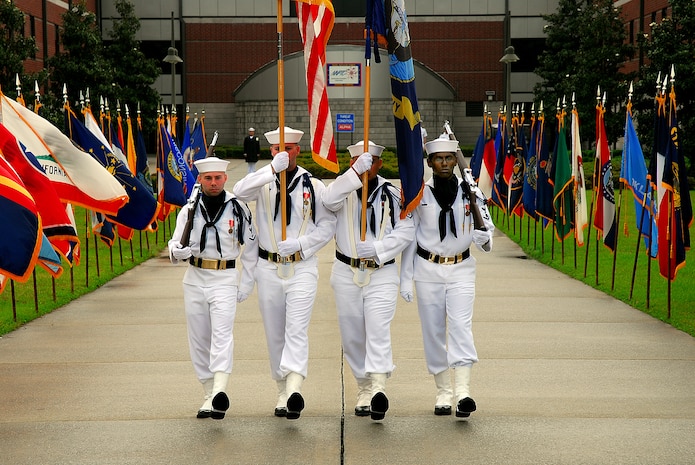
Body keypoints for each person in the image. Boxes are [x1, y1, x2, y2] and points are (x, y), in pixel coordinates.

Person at [232, 126, 336, 420]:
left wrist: (303, 244)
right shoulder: (262, 182)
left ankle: (294, 387)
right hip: (268, 267)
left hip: (301, 266)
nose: (283, 154)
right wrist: (270, 171)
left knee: (296, 328)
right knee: (275, 333)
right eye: (278, 149)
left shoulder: (313, 185)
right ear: (271, 152)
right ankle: (281, 389)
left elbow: (328, 225)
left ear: (297, 151)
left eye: (288, 149)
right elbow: (239, 192)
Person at [399, 136, 494, 418]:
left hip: (461, 269)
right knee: (434, 332)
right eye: (438, 159)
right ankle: (443, 391)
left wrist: (482, 237)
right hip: (428, 270)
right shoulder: (420, 195)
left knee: (461, 327)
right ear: (429, 163)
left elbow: (488, 237)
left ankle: (463, 392)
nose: (444, 163)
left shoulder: (471, 192)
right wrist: (405, 278)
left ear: (455, 161)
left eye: (449, 158)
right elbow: (409, 239)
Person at [322, 140, 414, 421]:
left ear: (379, 164)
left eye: (369, 162)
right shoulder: (342, 189)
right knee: (352, 336)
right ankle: (362, 387)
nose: (363, 167)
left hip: (381, 271)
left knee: (377, 328)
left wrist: (378, 248)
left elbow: (407, 230)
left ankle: (378, 388)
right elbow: (327, 200)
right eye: (356, 162)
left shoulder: (394, 193)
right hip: (346, 271)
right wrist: (352, 176)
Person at [168, 156, 258, 420]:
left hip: (224, 277)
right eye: (208, 178)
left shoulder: (238, 208)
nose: (214, 182)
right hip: (195, 277)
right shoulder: (189, 209)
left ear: (225, 178)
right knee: (199, 339)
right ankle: (208, 392)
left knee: (222, 335)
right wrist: (178, 251)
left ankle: (220, 389)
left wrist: (247, 281)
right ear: (201, 180)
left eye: (218, 177)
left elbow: (251, 248)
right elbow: (174, 244)